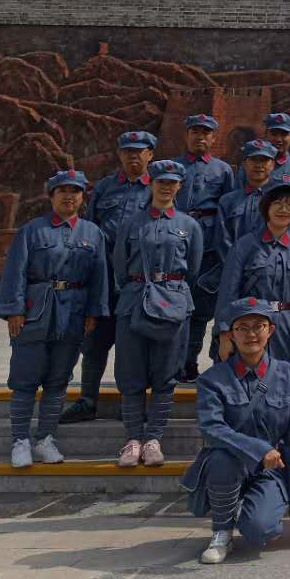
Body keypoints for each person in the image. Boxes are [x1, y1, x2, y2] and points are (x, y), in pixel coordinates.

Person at [182, 298, 290, 565]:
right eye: (242, 327)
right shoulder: (212, 380)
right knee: (220, 456)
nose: (251, 334)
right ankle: (221, 531)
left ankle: (247, 511)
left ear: (270, 330)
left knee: (259, 530)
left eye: (258, 326)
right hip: (230, 464)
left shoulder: (289, 375)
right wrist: (259, 450)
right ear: (231, 335)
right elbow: (211, 427)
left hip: (271, 471)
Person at [0, 169, 109, 468]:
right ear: (51, 196)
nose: (69, 196)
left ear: (83, 197)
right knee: (25, 378)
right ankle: (20, 441)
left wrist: (94, 313)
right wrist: (14, 310)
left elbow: (99, 277)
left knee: (58, 379)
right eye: (63, 191)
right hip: (36, 312)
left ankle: (45, 439)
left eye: (75, 191)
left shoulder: (92, 233)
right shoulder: (32, 230)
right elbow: (15, 271)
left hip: (73, 313)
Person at [111, 159, 203, 468]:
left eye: (172, 182)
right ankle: (133, 439)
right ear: (151, 184)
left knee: (166, 372)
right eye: (160, 181)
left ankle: (153, 439)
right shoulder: (131, 223)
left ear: (179, 186)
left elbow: (194, 268)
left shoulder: (189, 226)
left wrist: (169, 290)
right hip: (134, 300)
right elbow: (120, 266)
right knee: (131, 371)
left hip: (173, 302)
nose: (166, 187)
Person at [63, 129, 156, 425]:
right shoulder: (105, 188)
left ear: (150, 155)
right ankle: (87, 400)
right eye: (127, 151)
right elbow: (90, 230)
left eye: (139, 151)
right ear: (120, 154)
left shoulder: (158, 188)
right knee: (94, 342)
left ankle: (132, 402)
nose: (133, 156)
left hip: (137, 280)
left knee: (135, 346)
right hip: (103, 278)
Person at [214, 176, 290, 368]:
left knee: (286, 382)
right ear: (266, 206)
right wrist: (224, 335)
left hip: (289, 333)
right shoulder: (244, 246)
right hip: (251, 329)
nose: (284, 209)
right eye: (278, 203)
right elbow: (227, 294)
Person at [176, 115, 235, 382]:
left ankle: (190, 362)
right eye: (195, 132)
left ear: (213, 138)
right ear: (186, 135)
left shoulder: (223, 170)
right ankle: (171, 362)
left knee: (200, 311)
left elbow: (228, 208)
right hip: (176, 241)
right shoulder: (173, 167)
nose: (200, 137)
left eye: (205, 133)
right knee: (174, 307)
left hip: (209, 245)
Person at [217, 140, 279, 247]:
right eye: (253, 160)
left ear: (273, 164)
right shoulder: (227, 201)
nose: (258, 165)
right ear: (244, 164)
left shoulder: (280, 200)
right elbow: (222, 241)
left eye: (264, 160)